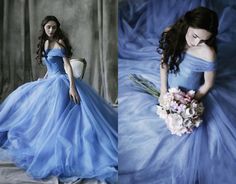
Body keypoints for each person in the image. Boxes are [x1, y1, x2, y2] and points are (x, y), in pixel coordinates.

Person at [119, 3, 236, 184]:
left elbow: (208, 85)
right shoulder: (171, 33)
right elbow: (164, 64)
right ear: (187, 24)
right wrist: (164, 92)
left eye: (203, 40)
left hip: (191, 94)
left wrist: (189, 101)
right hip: (169, 88)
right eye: (195, 36)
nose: (196, 42)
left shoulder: (208, 53)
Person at [0, 16, 118, 184]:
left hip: (62, 82)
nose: (51, 30)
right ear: (44, 28)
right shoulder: (45, 44)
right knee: (31, 107)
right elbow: (50, 66)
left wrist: (72, 86)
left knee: (66, 113)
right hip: (49, 81)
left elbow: (66, 66)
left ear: (57, 28)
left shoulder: (60, 42)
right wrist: (44, 79)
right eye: (49, 27)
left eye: (54, 27)